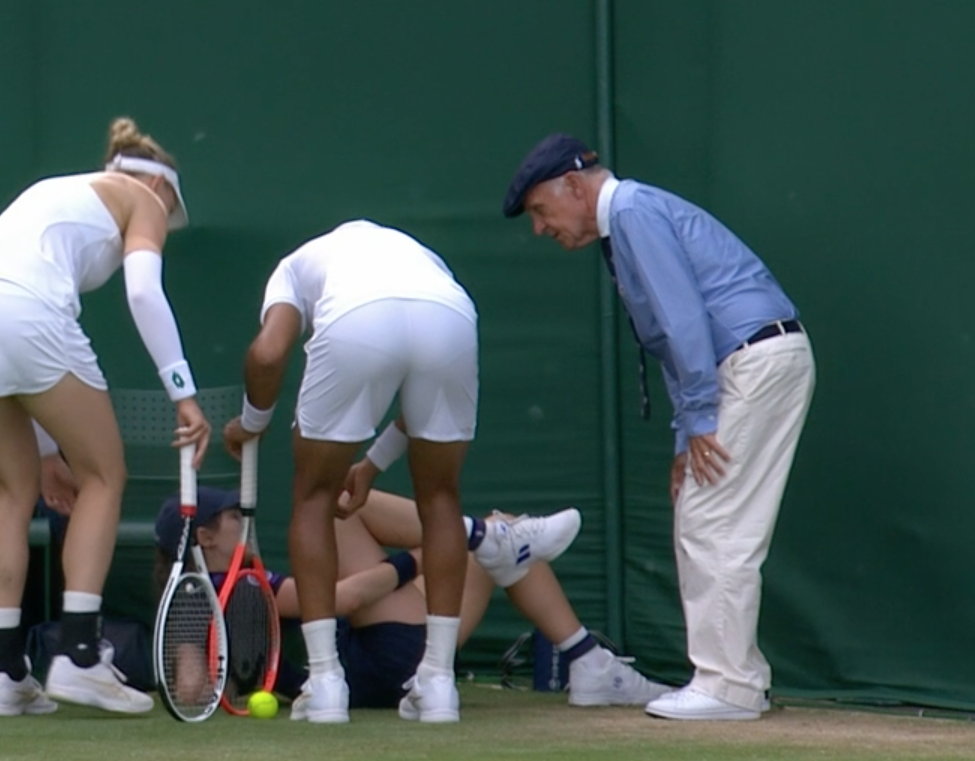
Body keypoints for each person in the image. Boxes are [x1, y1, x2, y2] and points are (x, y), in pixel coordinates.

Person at [502, 134, 816, 721]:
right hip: (754, 360)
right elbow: (676, 337)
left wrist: (698, 416)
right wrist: (685, 434)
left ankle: (729, 686)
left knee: (713, 518)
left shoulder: (632, 212)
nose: (541, 229)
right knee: (707, 512)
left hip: (751, 360)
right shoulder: (629, 218)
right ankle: (731, 680)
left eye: (542, 212)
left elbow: (682, 319)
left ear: (573, 187)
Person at [221, 218, 571, 724]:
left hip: (353, 324)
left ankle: (325, 686)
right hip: (451, 318)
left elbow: (268, 352)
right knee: (441, 499)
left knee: (315, 498)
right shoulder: (425, 265)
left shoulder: (294, 270)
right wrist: (372, 464)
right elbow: (421, 398)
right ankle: (437, 685)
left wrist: (251, 423)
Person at [0, 116, 211, 717]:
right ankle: (80, 656)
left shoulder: (62, 192)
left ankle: (6, 675)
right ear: (162, 188)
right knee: (104, 477)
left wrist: (46, 451)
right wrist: (183, 394)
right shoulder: (145, 200)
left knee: (13, 491)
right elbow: (143, 293)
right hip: (24, 311)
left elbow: (14, 357)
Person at [153, 477, 667, 715]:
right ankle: (473, 536)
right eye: (225, 515)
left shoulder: (223, 587)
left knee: (503, 546)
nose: (237, 518)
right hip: (387, 660)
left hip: (389, 650)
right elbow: (346, 599)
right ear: (205, 538)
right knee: (342, 503)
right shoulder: (233, 587)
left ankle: (588, 660)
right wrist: (425, 556)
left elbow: (193, 688)